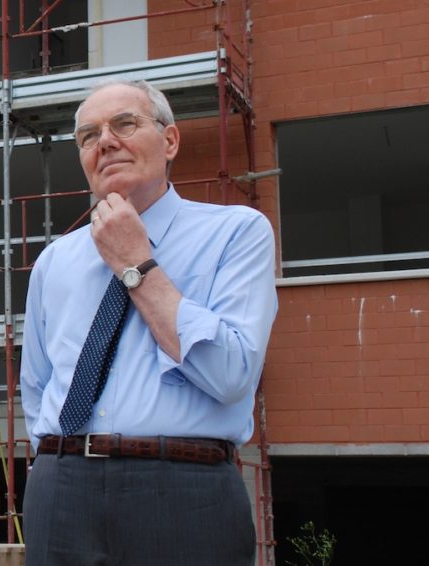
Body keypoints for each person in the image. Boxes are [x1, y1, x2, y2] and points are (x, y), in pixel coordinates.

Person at [20, 79, 278, 565]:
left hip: (184, 488)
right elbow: (37, 386)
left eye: (124, 124)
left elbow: (232, 374)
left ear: (170, 141)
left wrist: (136, 262)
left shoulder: (237, 232)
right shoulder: (54, 261)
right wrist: (54, 464)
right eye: (88, 135)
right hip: (62, 489)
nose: (105, 142)